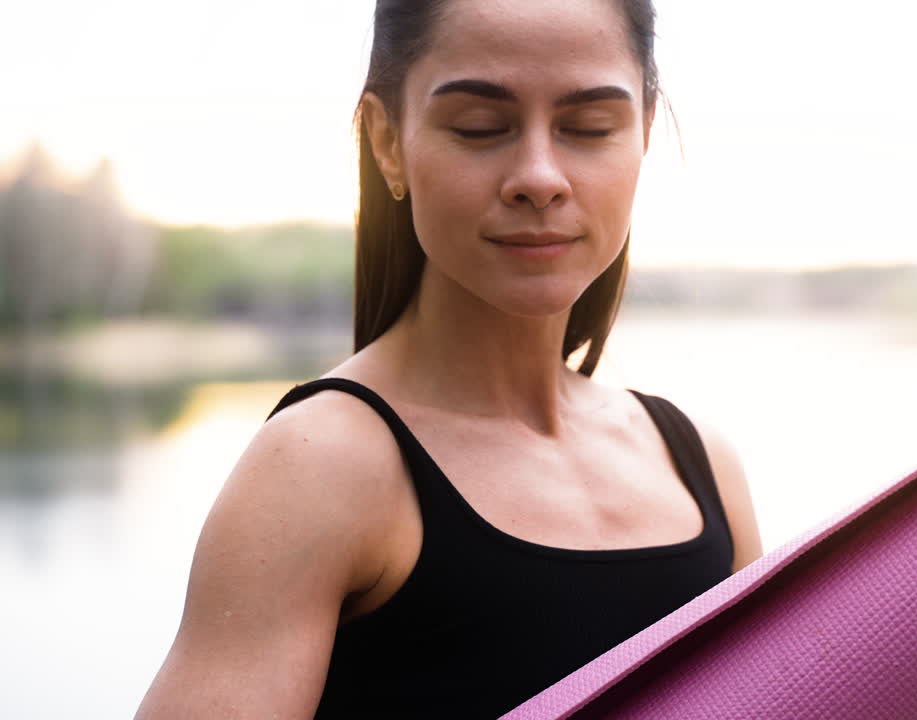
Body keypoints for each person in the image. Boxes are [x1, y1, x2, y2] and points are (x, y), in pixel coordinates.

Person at [135, 0, 763, 717]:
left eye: (589, 128)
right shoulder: (321, 468)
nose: (539, 176)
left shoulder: (704, 466)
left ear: (644, 135)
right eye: (480, 127)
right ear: (387, 142)